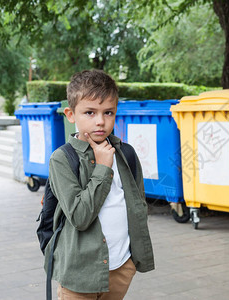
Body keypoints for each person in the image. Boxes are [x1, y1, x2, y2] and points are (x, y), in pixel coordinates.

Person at [44, 69, 154, 299]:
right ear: (71, 114)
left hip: (122, 266)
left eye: (108, 113)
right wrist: (103, 168)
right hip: (79, 272)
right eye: (90, 113)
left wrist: (133, 260)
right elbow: (80, 217)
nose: (100, 122)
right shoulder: (62, 159)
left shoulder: (126, 154)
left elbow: (137, 205)